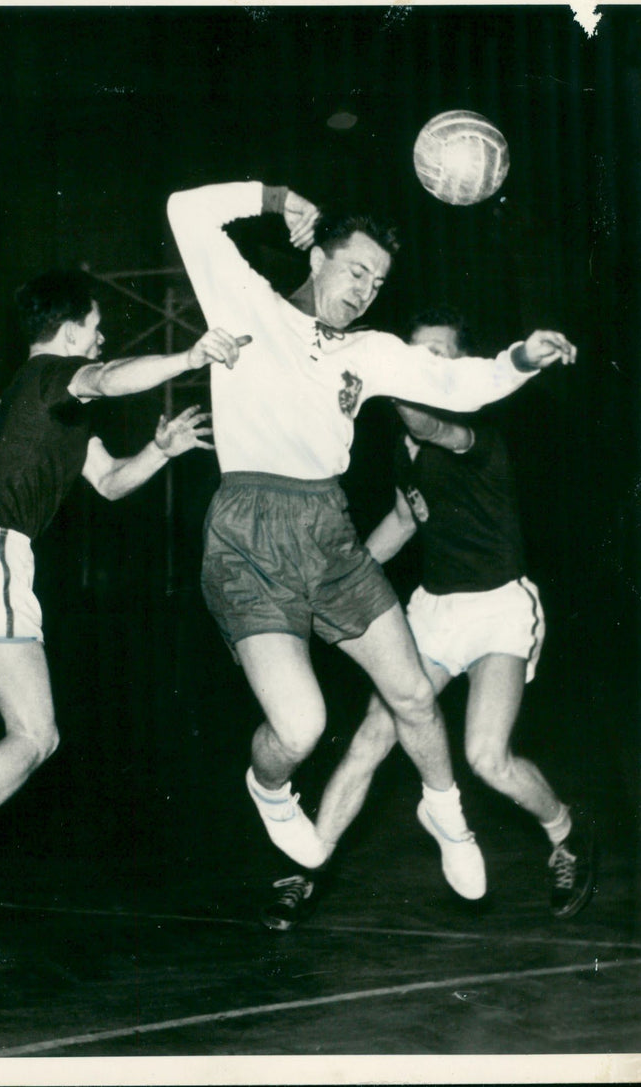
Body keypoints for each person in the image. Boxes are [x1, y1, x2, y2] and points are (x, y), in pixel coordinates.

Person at [167, 181, 577, 924]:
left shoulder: (371, 351)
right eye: (356, 271)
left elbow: (460, 382)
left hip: (328, 529)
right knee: (299, 729)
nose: (365, 290)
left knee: (414, 694)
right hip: (250, 529)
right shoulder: (245, 304)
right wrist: (278, 197)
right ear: (317, 255)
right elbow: (182, 209)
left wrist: (522, 356)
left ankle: (447, 816)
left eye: (378, 282)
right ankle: (269, 789)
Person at [0, 268, 248, 959]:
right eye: (94, 324)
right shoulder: (60, 373)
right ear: (67, 331)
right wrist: (188, 356)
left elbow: (111, 483)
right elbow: (110, 376)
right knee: (35, 733)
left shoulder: (34, 401)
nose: (102, 335)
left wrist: (161, 449)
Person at [272, 307, 595, 931]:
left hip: (500, 608)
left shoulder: (469, 430)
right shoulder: (405, 447)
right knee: (372, 736)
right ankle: (306, 865)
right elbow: (403, 518)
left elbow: (424, 412)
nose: (427, 368)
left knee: (486, 759)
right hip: (433, 609)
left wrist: (382, 369)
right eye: (416, 355)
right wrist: (335, 578)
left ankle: (566, 833)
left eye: (439, 357)